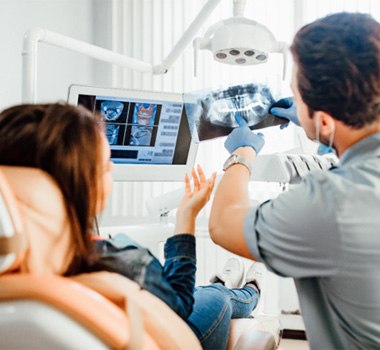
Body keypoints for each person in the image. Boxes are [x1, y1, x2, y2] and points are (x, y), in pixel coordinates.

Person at [0, 103, 262, 350]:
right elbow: (180, 303)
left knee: (205, 291)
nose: (111, 169)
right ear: (82, 185)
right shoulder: (122, 264)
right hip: (171, 327)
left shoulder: (21, 273)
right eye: (104, 166)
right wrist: (188, 214)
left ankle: (229, 284)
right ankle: (250, 290)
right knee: (216, 296)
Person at [209, 12, 380, 350]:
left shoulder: (331, 203)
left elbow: (223, 224)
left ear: (326, 120)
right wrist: (315, 125)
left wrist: (242, 154)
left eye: (297, 96)